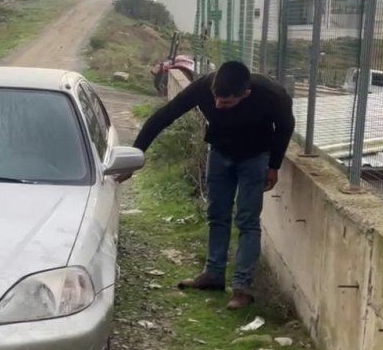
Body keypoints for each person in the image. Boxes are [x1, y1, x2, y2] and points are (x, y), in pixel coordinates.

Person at [117, 61, 295, 309]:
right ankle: (213, 274)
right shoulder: (203, 87)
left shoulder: (271, 94)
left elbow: (286, 126)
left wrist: (274, 165)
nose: (219, 107)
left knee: (247, 219)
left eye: (227, 103)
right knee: (216, 214)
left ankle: (242, 288)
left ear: (246, 94)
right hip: (220, 153)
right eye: (216, 100)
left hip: (255, 158)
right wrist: (136, 156)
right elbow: (164, 116)